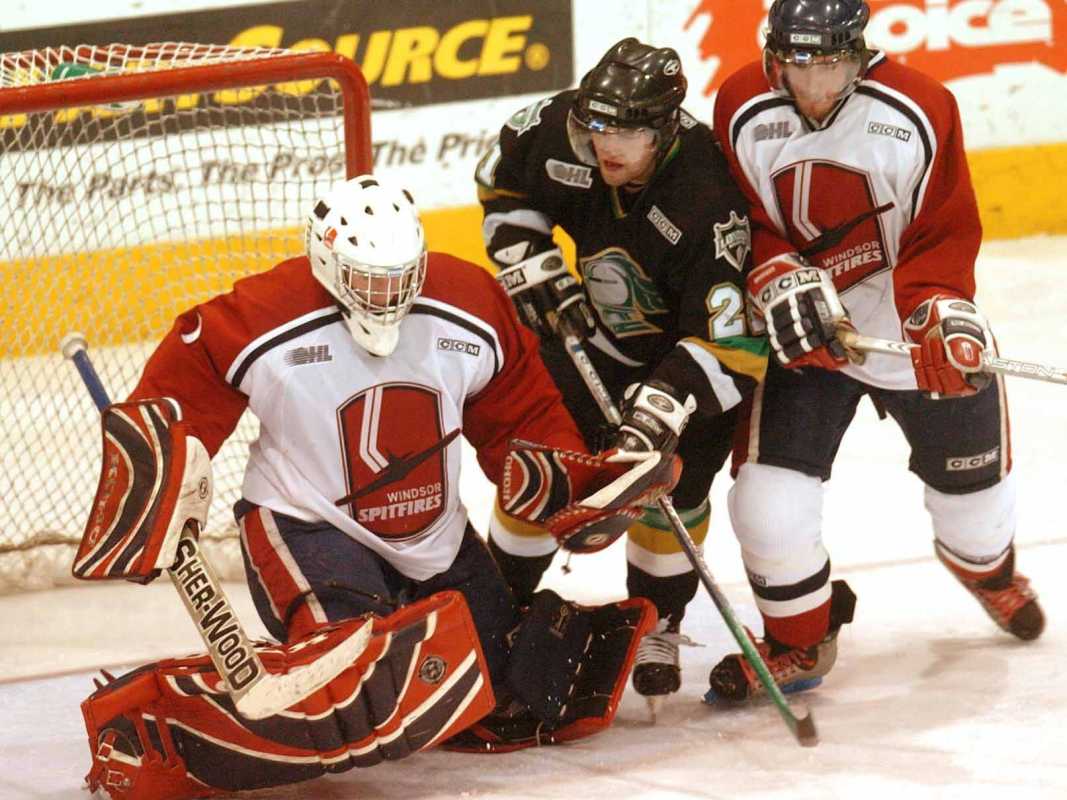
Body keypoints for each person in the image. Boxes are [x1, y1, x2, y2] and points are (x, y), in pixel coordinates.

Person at [75, 174, 683, 800]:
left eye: (402, 276)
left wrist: (568, 483)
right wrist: (160, 468)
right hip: (306, 527)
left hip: (434, 534)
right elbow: (186, 381)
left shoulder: (468, 301)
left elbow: (519, 410)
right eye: (370, 279)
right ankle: (149, 725)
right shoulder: (266, 314)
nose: (389, 295)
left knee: (508, 696)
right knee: (355, 693)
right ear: (328, 265)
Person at [706, 0, 1045, 702]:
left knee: (976, 516)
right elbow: (734, 217)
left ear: (858, 54)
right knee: (766, 505)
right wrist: (772, 271)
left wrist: (938, 308)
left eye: (831, 63)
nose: (816, 83)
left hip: (908, 329)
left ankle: (986, 571)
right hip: (805, 334)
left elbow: (945, 226)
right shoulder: (740, 102)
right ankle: (797, 643)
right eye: (800, 64)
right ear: (775, 55)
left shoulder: (920, 106)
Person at [475, 38, 766, 706]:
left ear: (663, 130)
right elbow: (501, 181)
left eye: (628, 130)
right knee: (539, 465)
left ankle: (658, 620)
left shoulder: (706, 196)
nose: (606, 144)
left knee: (673, 498)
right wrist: (525, 254)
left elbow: (735, 347)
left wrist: (662, 406)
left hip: (684, 370)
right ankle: (498, 604)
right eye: (597, 124)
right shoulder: (556, 131)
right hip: (589, 340)